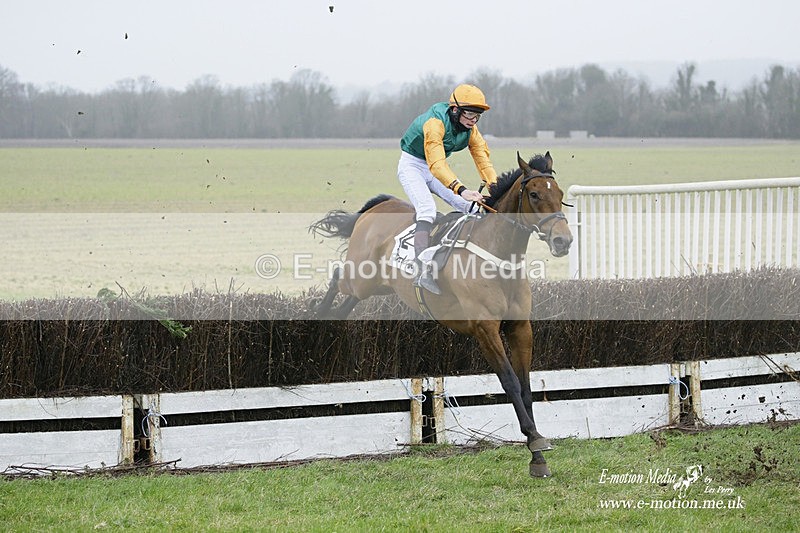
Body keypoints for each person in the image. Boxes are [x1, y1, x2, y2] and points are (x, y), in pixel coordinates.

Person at [398, 84, 499, 294]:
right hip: (413, 165)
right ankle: (422, 270)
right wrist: (461, 189)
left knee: (471, 207)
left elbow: (483, 161)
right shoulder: (435, 123)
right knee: (427, 210)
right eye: (469, 113)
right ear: (455, 110)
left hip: (436, 167)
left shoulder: (471, 130)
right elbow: (436, 165)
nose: (473, 120)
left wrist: (496, 189)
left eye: (477, 115)